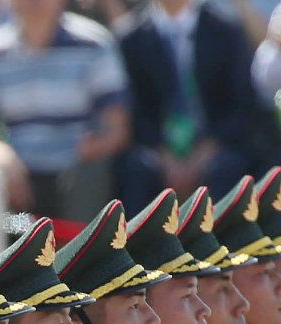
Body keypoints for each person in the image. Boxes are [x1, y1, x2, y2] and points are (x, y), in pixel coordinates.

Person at [0, 0, 133, 223]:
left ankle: (82, 256)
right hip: (16, 175)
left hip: (77, 170)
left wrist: (93, 148)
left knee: (95, 176)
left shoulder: (94, 43)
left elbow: (118, 128)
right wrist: (2, 158)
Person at [115, 0, 269, 205]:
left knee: (229, 168)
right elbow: (134, 111)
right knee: (134, 169)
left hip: (215, 145)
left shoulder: (226, 29)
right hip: (158, 150)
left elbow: (241, 105)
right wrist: (164, 156)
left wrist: (205, 152)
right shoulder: (130, 36)